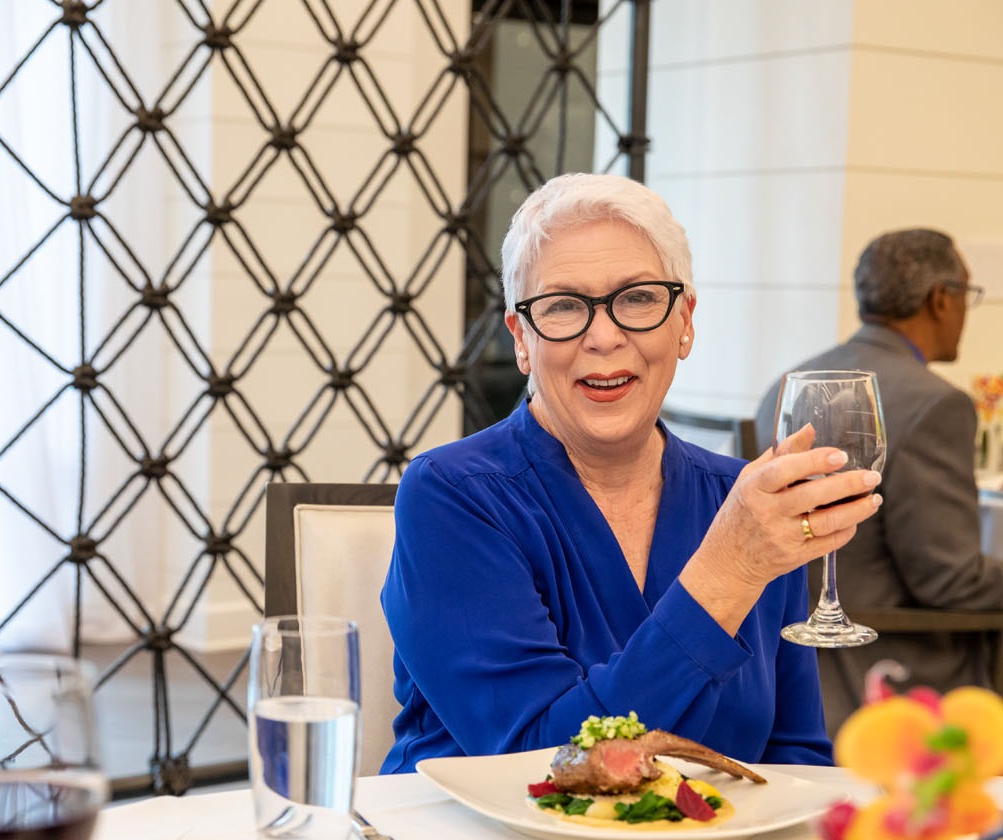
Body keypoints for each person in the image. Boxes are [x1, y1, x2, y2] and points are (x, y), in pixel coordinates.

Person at [378, 173, 881, 774]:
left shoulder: (748, 500)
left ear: (685, 320)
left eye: (639, 298)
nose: (605, 337)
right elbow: (539, 764)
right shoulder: (453, 496)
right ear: (521, 338)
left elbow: (795, 756)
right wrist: (727, 571)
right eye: (564, 305)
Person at [754, 228, 1001, 735]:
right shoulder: (935, 404)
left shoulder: (789, 383)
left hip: (783, 666)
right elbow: (950, 581)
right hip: (887, 666)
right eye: (966, 297)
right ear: (940, 299)